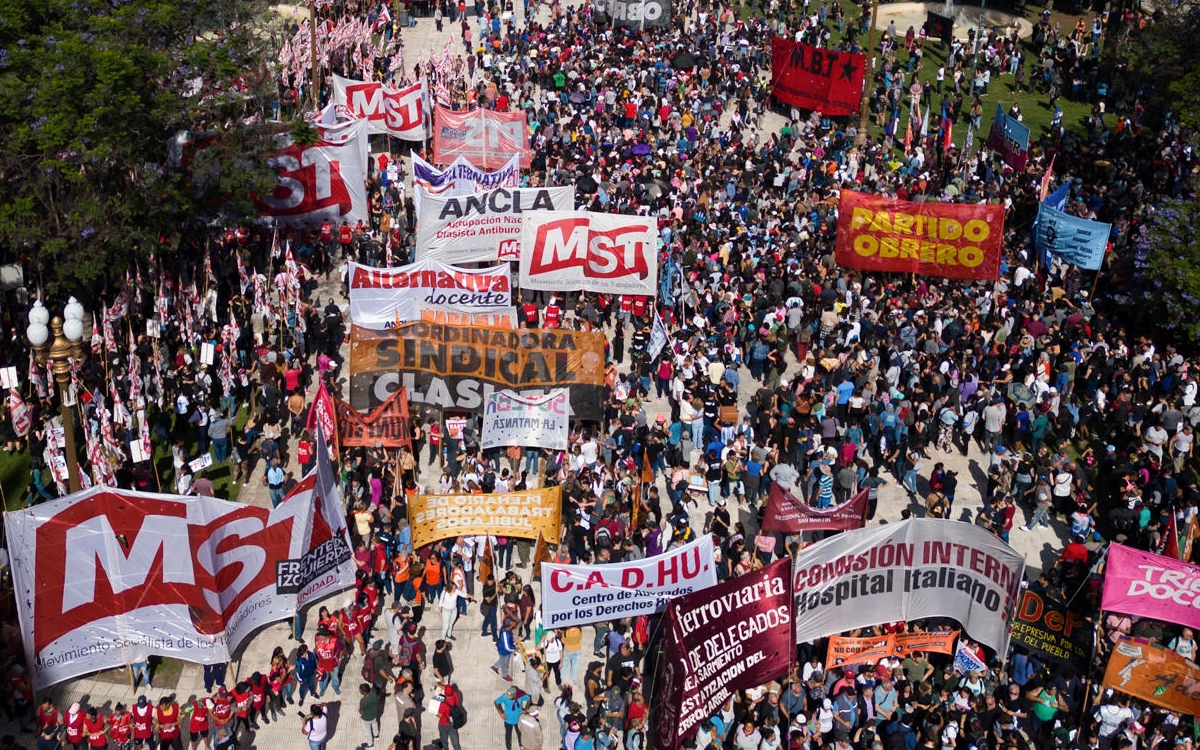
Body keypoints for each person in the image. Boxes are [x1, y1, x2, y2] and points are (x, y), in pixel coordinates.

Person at [494, 686, 530, 750]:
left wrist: (525, 709)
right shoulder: (505, 696)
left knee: (520, 733)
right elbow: (496, 702)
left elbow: (529, 699)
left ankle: (521, 745)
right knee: (508, 735)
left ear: (515, 695)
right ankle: (508, 748)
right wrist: (501, 713)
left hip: (519, 719)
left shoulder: (521, 696)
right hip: (508, 720)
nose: (508, 698)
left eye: (510, 697)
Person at [435, 682, 464, 750]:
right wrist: (439, 685)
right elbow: (447, 689)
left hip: (443, 723)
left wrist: (434, 711)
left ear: (445, 693)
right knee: (455, 741)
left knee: (444, 739)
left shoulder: (443, 705)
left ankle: (445, 748)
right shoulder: (455, 695)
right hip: (452, 722)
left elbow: (439, 715)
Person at [357, 682, 381, 749]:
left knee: (368, 731)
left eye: (360, 690)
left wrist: (359, 710)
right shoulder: (374, 693)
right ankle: (376, 735)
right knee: (375, 723)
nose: (359, 691)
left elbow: (361, 712)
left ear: (364, 692)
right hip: (374, 714)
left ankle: (370, 744)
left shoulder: (363, 701)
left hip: (366, 718)